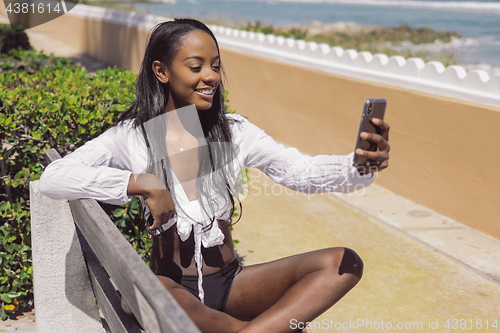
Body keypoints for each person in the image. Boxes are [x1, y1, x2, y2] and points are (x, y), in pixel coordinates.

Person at [39, 18, 390, 333]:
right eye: (196, 66)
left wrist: (358, 165)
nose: (211, 76)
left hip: (230, 284)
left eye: (216, 66)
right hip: (173, 289)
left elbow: (300, 172)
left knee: (342, 264)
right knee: (152, 292)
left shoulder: (236, 132)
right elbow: (55, 177)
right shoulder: (132, 136)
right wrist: (141, 182)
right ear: (161, 71)